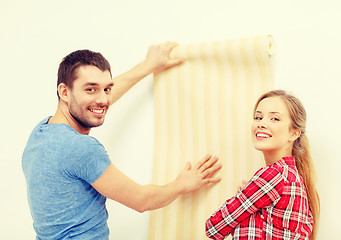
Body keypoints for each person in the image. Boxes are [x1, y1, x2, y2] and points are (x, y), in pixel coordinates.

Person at [22, 42, 222, 239]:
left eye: (106, 89)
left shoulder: (41, 132)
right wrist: (181, 184)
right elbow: (141, 200)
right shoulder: (80, 148)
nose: (102, 100)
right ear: (65, 92)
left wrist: (146, 66)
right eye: (90, 89)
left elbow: (95, 103)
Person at [205, 90, 320, 240]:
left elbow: (213, 227)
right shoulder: (293, 178)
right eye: (258, 117)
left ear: (294, 133)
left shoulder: (273, 176)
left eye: (274, 119)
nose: (262, 124)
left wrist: (244, 198)